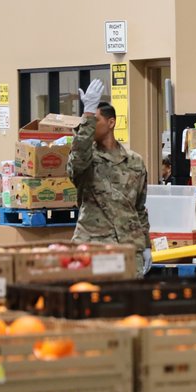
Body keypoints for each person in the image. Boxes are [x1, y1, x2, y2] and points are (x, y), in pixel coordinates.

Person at [67, 79, 152, 276]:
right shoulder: (87, 160)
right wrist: (87, 114)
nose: (90, 125)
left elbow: (139, 208)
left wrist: (146, 244)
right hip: (94, 247)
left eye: (95, 120)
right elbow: (78, 156)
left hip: (129, 248)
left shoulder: (134, 162)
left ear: (111, 122)